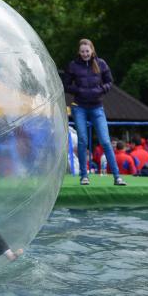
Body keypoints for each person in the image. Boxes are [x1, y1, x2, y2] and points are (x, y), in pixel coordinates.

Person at [63, 38, 126, 186]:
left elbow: (109, 82)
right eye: (82, 51)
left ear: (92, 51)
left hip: (97, 107)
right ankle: (84, 176)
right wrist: (79, 90)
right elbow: (66, 85)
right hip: (79, 107)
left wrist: (100, 90)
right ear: (79, 52)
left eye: (87, 51)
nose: (85, 54)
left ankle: (117, 177)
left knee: (105, 141)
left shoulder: (101, 63)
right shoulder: (73, 66)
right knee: (83, 140)